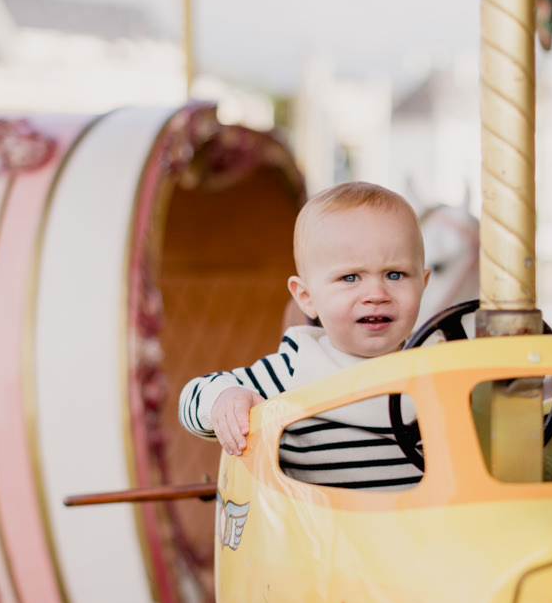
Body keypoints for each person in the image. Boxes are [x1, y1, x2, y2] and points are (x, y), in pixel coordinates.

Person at [178, 181, 430, 490]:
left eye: (395, 274)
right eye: (350, 277)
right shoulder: (295, 369)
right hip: (323, 533)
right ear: (306, 296)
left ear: (423, 281)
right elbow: (192, 396)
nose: (376, 294)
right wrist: (223, 400)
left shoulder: (437, 361)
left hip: (420, 532)